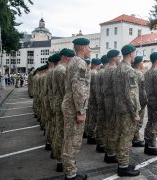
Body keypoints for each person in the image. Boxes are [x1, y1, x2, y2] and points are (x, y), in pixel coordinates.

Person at [61, 37, 91, 180]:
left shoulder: (72, 62)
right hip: (74, 108)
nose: (90, 49)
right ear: (83, 48)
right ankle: (71, 174)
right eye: (89, 47)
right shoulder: (80, 63)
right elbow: (79, 89)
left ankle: (69, 169)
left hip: (69, 105)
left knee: (69, 139)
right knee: (73, 141)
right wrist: (81, 110)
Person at [113, 44, 141, 176]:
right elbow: (131, 94)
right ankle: (123, 167)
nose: (135, 55)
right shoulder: (129, 70)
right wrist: (135, 112)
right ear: (130, 54)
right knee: (126, 138)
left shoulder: (118, 68)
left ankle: (123, 162)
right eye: (134, 53)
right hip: (127, 111)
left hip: (119, 108)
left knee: (121, 136)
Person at [51, 48, 75, 172]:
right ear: (67, 58)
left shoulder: (59, 69)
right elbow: (64, 91)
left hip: (59, 104)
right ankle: (61, 161)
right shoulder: (62, 70)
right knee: (62, 133)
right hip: (62, 105)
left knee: (60, 132)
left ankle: (60, 159)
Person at [143, 52, 157, 156]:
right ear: (156, 60)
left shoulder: (147, 73)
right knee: (156, 124)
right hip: (156, 103)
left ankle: (146, 142)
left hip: (149, 101)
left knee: (149, 122)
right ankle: (151, 145)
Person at [102, 49, 120, 163]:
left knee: (110, 127)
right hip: (113, 102)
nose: (120, 58)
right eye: (119, 56)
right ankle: (111, 154)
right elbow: (116, 88)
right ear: (114, 58)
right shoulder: (114, 70)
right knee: (113, 128)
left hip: (107, 101)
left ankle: (109, 152)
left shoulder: (106, 69)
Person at [131, 56, 147, 147]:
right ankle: (135, 138)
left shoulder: (132, 72)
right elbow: (142, 90)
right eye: (142, 62)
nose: (143, 64)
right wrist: (144, 101)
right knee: (138, 121)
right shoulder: (140, 74)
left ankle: (135, 137)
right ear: (138, 63)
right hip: (139, 102)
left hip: (133, 100)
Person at [85, 58, 102, 145]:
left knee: (90, 117)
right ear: (97, 65)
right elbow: (95, 88)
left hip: (89, 98)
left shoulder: (89, 72)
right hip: (93, 99)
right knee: (93, 118)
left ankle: (89, 134)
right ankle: (91, 136)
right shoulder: (94, 73)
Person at [95, 55, 109, 153]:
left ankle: (100, 143)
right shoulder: (106, 72)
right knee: (106, 124)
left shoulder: (99, 73)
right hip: (106, 101)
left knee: (100, 122)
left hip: (99, 100)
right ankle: (103, 143)